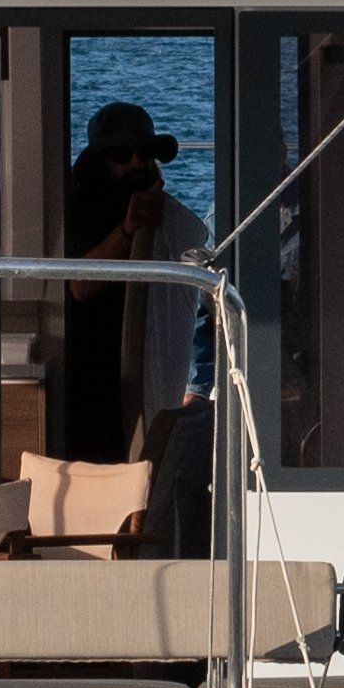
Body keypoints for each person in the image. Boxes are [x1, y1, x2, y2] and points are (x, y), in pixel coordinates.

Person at [52, 97, 206, 468]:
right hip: (90, 373)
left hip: (140, 361)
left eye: (144, 153)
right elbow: (80, 285)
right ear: (99, 162)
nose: (135, 163)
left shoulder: (158, 210)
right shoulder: (84, 204)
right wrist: (127, 231)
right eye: (122, 155)